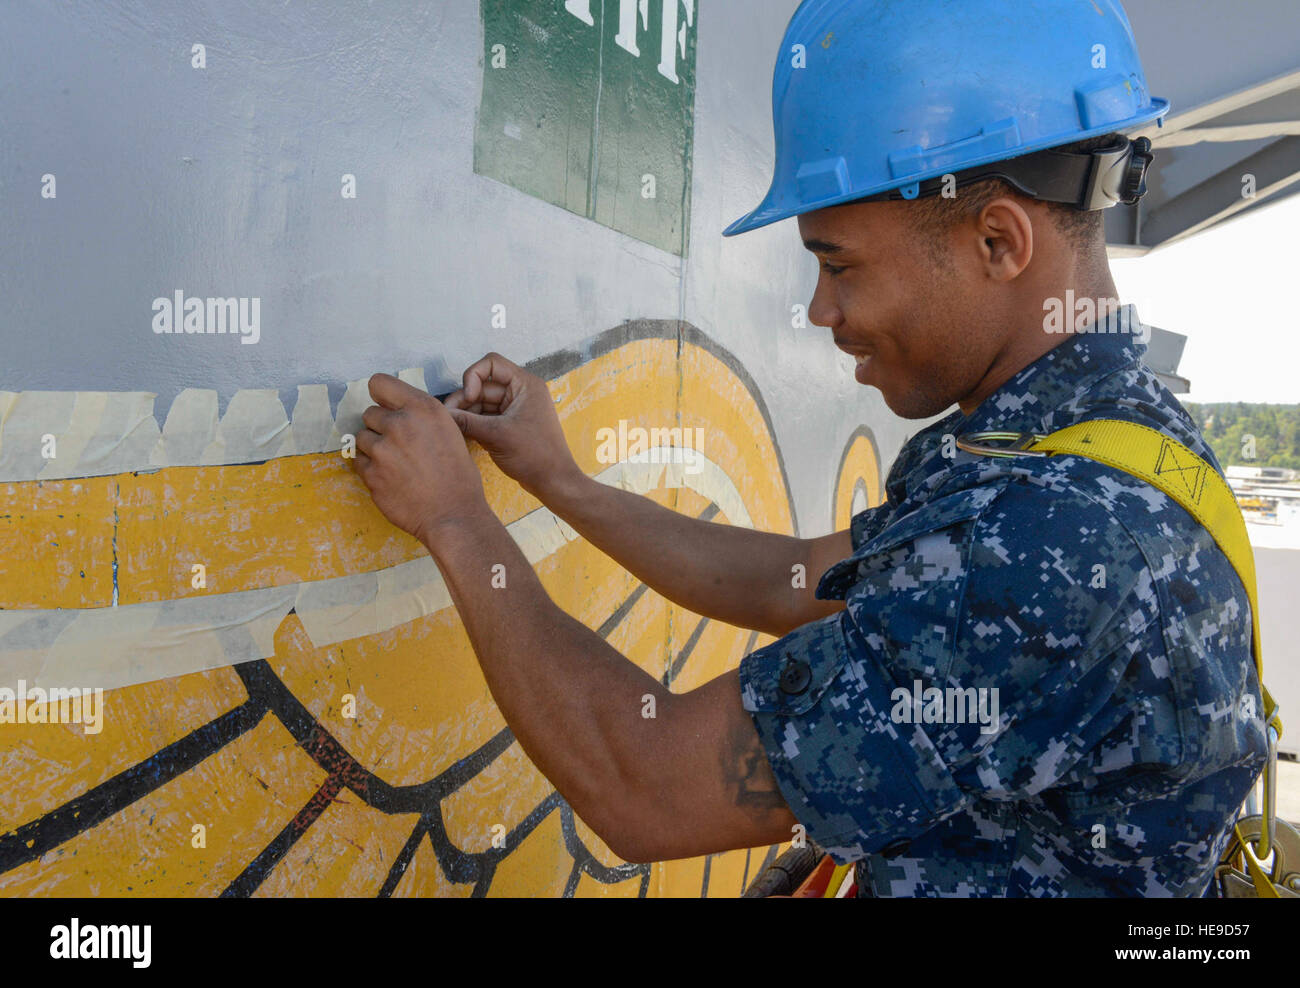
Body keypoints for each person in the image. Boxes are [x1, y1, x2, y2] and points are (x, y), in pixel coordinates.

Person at [352, 0, 1267, 896]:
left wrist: (456, 521)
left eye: (839, 266)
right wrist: (558, 480)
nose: (822, 312)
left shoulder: (1052, 543)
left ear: (998, 239)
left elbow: (648, 785)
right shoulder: (1082, 445)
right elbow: (790, 582)